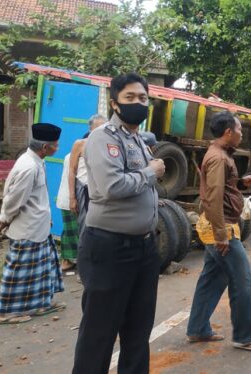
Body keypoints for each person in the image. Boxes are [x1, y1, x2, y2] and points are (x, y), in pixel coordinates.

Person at [72, 72, 165, 374]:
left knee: (138, 332)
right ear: (115, 103)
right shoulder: (102, 139)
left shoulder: (138, 139)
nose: (138, 103)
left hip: (144, 249)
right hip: (110, 248)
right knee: (99, 333)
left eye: (143, 98)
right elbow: (112, 187)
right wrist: (151, 172)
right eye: (130, 98)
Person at [187, 111, 251, 351]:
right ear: (228, 132)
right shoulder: (219, 158)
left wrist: (241, 183)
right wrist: (221, 234)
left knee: (212, 278)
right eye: (240, 130)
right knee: (244, 280)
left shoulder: (221, 156)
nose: (241, 135)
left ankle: (197, 328)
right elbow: (213, 198)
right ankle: (246, 336)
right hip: (220, 227)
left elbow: (221, 188)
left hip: (218, 225)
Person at [0, 123, 65, 325]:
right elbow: (15, 198)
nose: (57, 148)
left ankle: (40, 303)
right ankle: (3, 314)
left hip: (38, 224)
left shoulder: (37, 161)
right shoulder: (28, 166)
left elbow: (36, 195)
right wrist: (4, 218)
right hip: (27, 227)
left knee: (41, 269)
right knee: (18, 273)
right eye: (55, 145)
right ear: (44, 147)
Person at [59, 114, 107, 272]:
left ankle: (94, 264)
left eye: (103, 128)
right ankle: (83, 268)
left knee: (99, 229)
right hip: (83, 191)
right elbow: (71, 172)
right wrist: (72, 198)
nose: (100, 131)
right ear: (90, 129)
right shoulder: (80, 144)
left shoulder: (107, 145)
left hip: (99, 193)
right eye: (97, 128)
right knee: (83, 229)